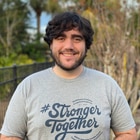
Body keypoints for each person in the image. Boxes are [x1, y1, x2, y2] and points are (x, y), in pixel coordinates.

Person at [0, 12, 137, 140]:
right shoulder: (28, 87)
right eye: (61, 38)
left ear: (86, 45)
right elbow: (9, 136)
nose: (69, 46)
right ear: (51, 44)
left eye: (77, 38)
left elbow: (128, 133)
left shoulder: (107, 85)